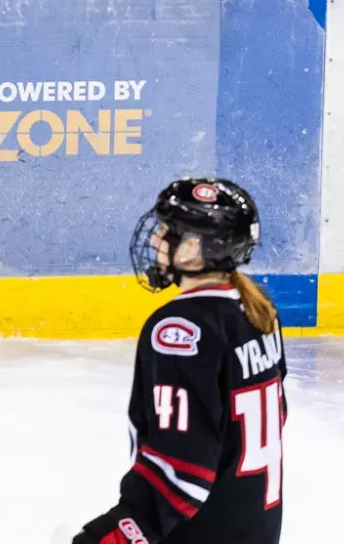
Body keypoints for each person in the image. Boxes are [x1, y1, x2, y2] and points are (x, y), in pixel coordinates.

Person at [71, 177, 287, 544]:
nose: (155, 240)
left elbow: (182, 468)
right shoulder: (257, 310)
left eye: (168, 231)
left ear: (194, 249)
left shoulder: (180, 330)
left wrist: (109, 537)